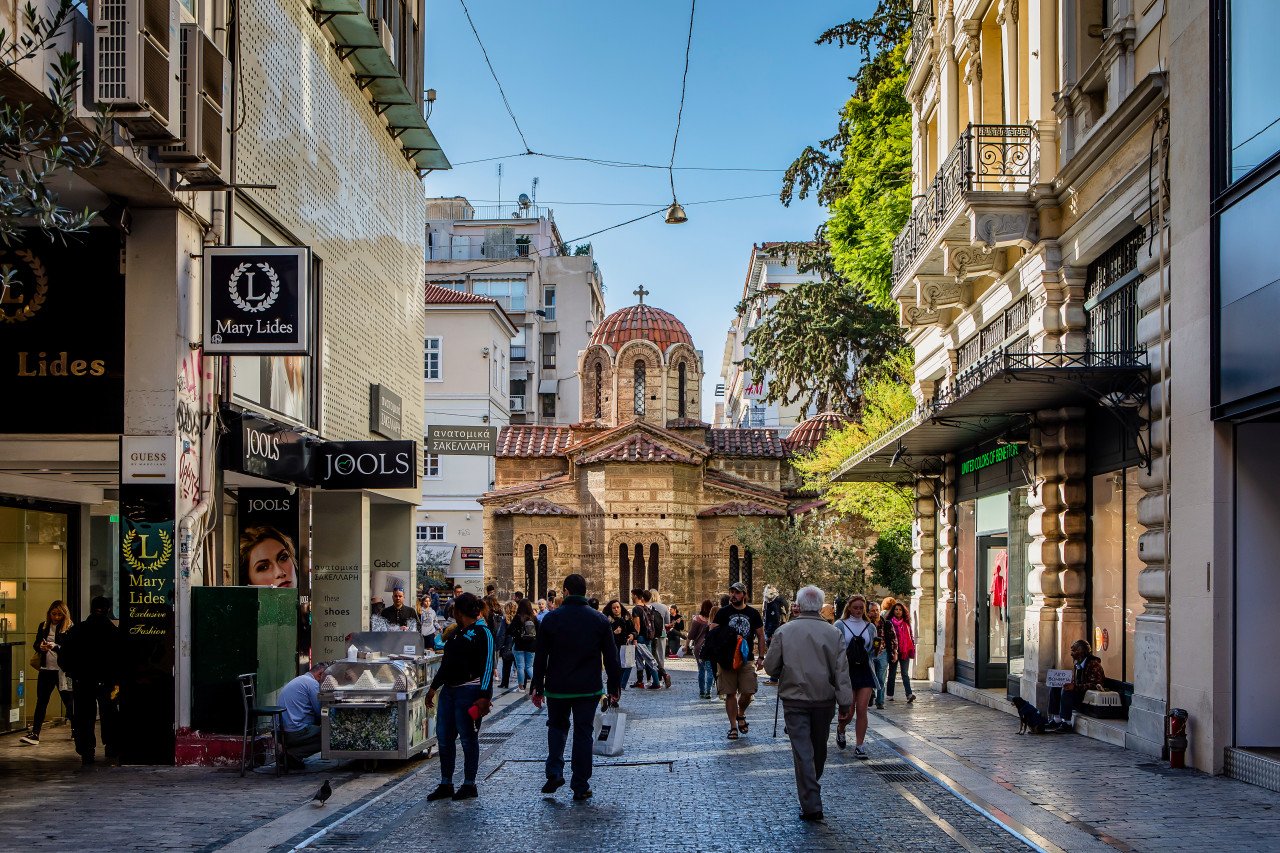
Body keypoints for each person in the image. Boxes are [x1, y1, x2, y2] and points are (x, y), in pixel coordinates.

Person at [764, 585, 853, 822]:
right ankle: (812, 801)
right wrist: (846, 703)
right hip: (824, 700)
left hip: (795, 699)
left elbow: (770, 667)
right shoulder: (833, 633)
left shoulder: (784, 631)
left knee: (804, 751)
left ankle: (810, 794)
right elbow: (841, 671)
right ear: (821, 605)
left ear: (799, 605)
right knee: (818, 750)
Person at [531, 574, 621, 802]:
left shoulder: (551, 619)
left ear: (566, 591)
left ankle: (554, 773)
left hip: (557, 687)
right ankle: (580, 784)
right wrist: (614, 686)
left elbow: (540, 656)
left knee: (557, 728)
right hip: (587, 688)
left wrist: (537, 686)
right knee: (583, 734)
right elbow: (611, 657)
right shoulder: (599, 620)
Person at [425, 593, 495, 802]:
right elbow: (446, 664)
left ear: (459, 611)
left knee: (467, 738)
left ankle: (469, 784)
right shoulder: (455, 633)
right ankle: (446, 782)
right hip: (449, 691)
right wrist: (434, 687)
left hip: (469, 691)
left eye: (454, 610)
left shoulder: (484, 633)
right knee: (444, 738)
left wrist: (484, 696)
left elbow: (488, 667)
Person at [58, 596, 121, 766]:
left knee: (84, 715)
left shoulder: (78, 630)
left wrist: (72, 672)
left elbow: (64, 656)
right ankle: (111, 745)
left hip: (83, 679)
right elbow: (120, 658)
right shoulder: (113, 632)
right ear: (108, 609)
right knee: (109, 713)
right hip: (106, 679)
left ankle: (87, 750)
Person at [714, 581, 766, 739]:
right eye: (731, 592)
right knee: (730, 693)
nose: (733, 595)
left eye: (737, 593)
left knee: (749, 691)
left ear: (744, 594)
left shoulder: (753, 613)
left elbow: (761, 635)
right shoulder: (723, 612)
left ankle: (741, 713)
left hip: (746, 658)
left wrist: (761, 657)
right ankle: (733, 726)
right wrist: (728, 636)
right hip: (727, 659)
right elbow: (713, 630)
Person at [22, 599, 74, 746]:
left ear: (64, 615)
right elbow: (36, 644)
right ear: (49, 613)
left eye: (59, 614)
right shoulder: (44, 626)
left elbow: (70, 649)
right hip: (46, 669)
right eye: (53, 614)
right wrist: (41, 647)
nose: (56, 617)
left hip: (62, 671)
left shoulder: (69, 627)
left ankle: (76, 729)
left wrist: (56, 646)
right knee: (42, 701)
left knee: (68, 702)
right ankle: (35, 734)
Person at [834, 594, 879, 758]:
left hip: (865, 669)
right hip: (847, 671)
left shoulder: (870, 627)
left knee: (862, 709)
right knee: (849, 710)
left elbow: (872, 652)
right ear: (849, 608)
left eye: (861, 607)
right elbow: (835, 648)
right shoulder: (840, 625)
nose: (859, 610)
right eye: (856, 607)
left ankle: (860, 745)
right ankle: (841, 729)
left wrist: (876, 649)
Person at [1046, 640, 1106, 731]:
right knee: (1056, 687)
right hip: (1078, 692)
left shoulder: (1094, 665)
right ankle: (1056, 719)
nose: (1071, 654)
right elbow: (1075, 681)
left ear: (1081, 651)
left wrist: (1075, 687)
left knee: (1067, 690)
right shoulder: (1077, 664)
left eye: (1074, 651)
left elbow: (1095, 684)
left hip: (1087, 696)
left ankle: (1067, 722)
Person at [279, 662, 327, 768]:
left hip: (280, 731)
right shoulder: (312, 683)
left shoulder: (300, 680)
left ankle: (289, 753)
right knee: (330, 735)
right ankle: (294, 754)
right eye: (325, 679)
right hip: (294, 732)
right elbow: (320, 712)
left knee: (320, 730)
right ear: (320, 674)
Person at [604, 599, 636, 696]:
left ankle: (618, 689)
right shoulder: (607, 620)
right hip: (613, 648)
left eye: (618, 607)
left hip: (625, 647)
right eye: (614, 608)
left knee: (625, 668)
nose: (616, 609)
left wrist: (632, 635)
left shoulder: (626, 619)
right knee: (614, 671)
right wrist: (613, 633)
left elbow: (634, 631)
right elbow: (604, 636)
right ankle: (612, 694)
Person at [886, 601, 916, 703]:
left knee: (905, 673)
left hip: (905, 651)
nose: (898, 611)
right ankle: (889, 694)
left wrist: (911, 649)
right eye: (896, 609)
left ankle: (909, 694)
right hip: (894, 651)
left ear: (903, 611)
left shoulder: (906, 623)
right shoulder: (889, 623)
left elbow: (910, 636)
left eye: (900, 610)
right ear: (893, 611)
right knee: (892, 673)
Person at [630, 588, 659, 688]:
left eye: (632, 595)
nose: (631, 597)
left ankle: (652, 682)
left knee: (640, 660)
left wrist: (635, 638)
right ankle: (647, 681)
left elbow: (637, 626)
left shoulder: (636, 609)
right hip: (648, 637)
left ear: (635, 596)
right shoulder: (647, 608)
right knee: (649, 659)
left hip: (641, 637)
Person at [687, 599, 715, 699]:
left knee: (701, 669)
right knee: (710, 669)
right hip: (711, 647)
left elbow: (691, 635)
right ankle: (708, 691)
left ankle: (702, 691)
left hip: (699, 648)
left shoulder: (697, 619)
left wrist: (686, 646)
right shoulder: (714, 620)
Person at [510, 598, 538, 691]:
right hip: (532, 646)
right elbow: (540, 630)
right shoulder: (534, 618)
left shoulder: (518, 617)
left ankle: (521, 687)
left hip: (519, 645)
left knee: (520, 666)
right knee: (530, 667)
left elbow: (509, 630)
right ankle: (538, 684)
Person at [868, 600, 890, 710]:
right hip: (870, 654)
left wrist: (894, 653)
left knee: (881, 678)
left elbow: (893, 639)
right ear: (868, 613)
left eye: (877, 610)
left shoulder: (886, 623)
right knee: (870, 676)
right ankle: (870, 694)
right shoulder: (866, 625)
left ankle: (880, 701)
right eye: (872, 611)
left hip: (883, 653)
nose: (875, 613)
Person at [482, 594, 507, 687]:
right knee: (496, 652)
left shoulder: (489, 612)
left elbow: (489, 623)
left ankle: (495, 671)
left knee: (492, 652)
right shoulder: (500, 610)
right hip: (499, 634)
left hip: (491, 633)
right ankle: (495, 671)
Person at [648, 590, 672, 685]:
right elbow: (667, 623)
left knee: (651, 656)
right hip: (662, 634)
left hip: (651, 634)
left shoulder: (648, 606)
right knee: (661, 656)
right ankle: (661, 678)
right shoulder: (664, 607)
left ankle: (652, 679)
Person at [499, 601, 518, 688]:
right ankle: (523, 684)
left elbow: (502, 634)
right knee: (520, 666)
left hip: (507, 645)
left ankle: (504, 683)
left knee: (506, 666)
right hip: (517, 645)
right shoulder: (519, 619)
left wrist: (499, 646)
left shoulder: (505, 620)